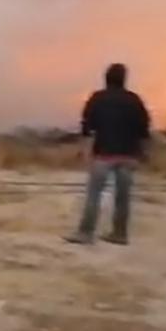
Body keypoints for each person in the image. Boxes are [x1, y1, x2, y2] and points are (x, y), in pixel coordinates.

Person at [64, 63, 151, 246]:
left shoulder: (98, 98)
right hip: (128, 156)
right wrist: (143, 153)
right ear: (124, 79)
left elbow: (87, 127)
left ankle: (85, 233)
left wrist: (83, 150)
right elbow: (144, 129)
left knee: (94, 195)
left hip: (104, 155)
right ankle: (120, 234)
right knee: (123, 197)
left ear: (106, 78)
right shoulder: (134, 100)